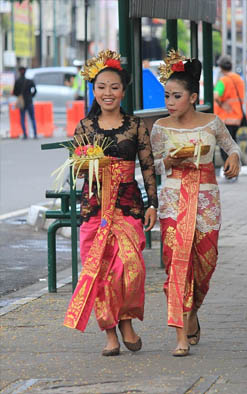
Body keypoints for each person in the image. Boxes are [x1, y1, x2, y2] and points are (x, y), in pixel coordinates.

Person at [63, 50, 158, 357]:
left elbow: (148, 167)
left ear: (123, 91)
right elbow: (75, 169)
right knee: (101, 272)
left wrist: (152, 204)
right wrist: (87, 163)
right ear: (94, 90)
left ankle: (127, 321)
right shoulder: (85, 127)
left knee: (130, 267)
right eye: (101, 87)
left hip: (128, 206)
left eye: (114, 87)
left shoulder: (134, 126)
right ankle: (110, 333)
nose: (107, 93)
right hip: (95, 207)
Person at [151, 50, 241, 356]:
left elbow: (232, 148)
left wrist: (233, 159)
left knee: (205, 264)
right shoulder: (160, 128)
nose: (170, 102)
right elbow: (152, 166)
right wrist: (168, 159)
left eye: (176, 96)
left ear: (193, 97)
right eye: (167, 96)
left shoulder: (212, 123)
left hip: (205, 201)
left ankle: (192, 310)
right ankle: (180, 329)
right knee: (177, 262)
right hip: (174, 200)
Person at [213, 54, 245, 175]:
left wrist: (221, 105)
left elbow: (216, 95)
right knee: (233, 144)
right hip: (237, 117)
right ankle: (234, 168)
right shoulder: (239, 79)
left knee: (225, 147)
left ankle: (230, 170)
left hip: (225, 118)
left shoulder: (223, 81)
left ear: (221, 67)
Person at [12, 66, 37, 139]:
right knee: (32, 118)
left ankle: (25, 134)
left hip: (22, 102)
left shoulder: (17, 81)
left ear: (19, 72)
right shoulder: (29, 81)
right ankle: (35, 134)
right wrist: (31, 96)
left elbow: (14, 92)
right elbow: (35, 90)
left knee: (22, 118)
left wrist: (19, 96)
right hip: (29, 101)